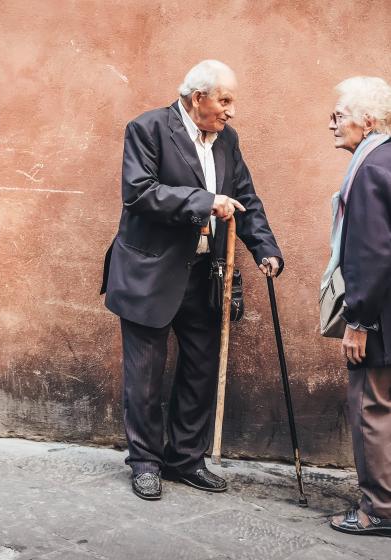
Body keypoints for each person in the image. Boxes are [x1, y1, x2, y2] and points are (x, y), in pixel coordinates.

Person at [101, 60, 283, 500]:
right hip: (149, 273)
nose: (231, 111)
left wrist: (265, 248)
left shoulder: (227, 140)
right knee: (144, 377)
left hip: (205, 275)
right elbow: (140, 192)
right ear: (198, 97)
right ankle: (145, 462)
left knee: (201, 371)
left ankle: (184, 458)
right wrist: (204, 202)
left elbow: (245, 197)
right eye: (225, 100)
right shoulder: (147, 128)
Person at [324, 76, 391, 535]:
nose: (331, 124)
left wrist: (359, 321)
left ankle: (379, 510)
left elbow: (372, 251)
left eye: (339, 115)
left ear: (367, 121)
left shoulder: (370, 168)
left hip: (380, 315)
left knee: (372, 408)